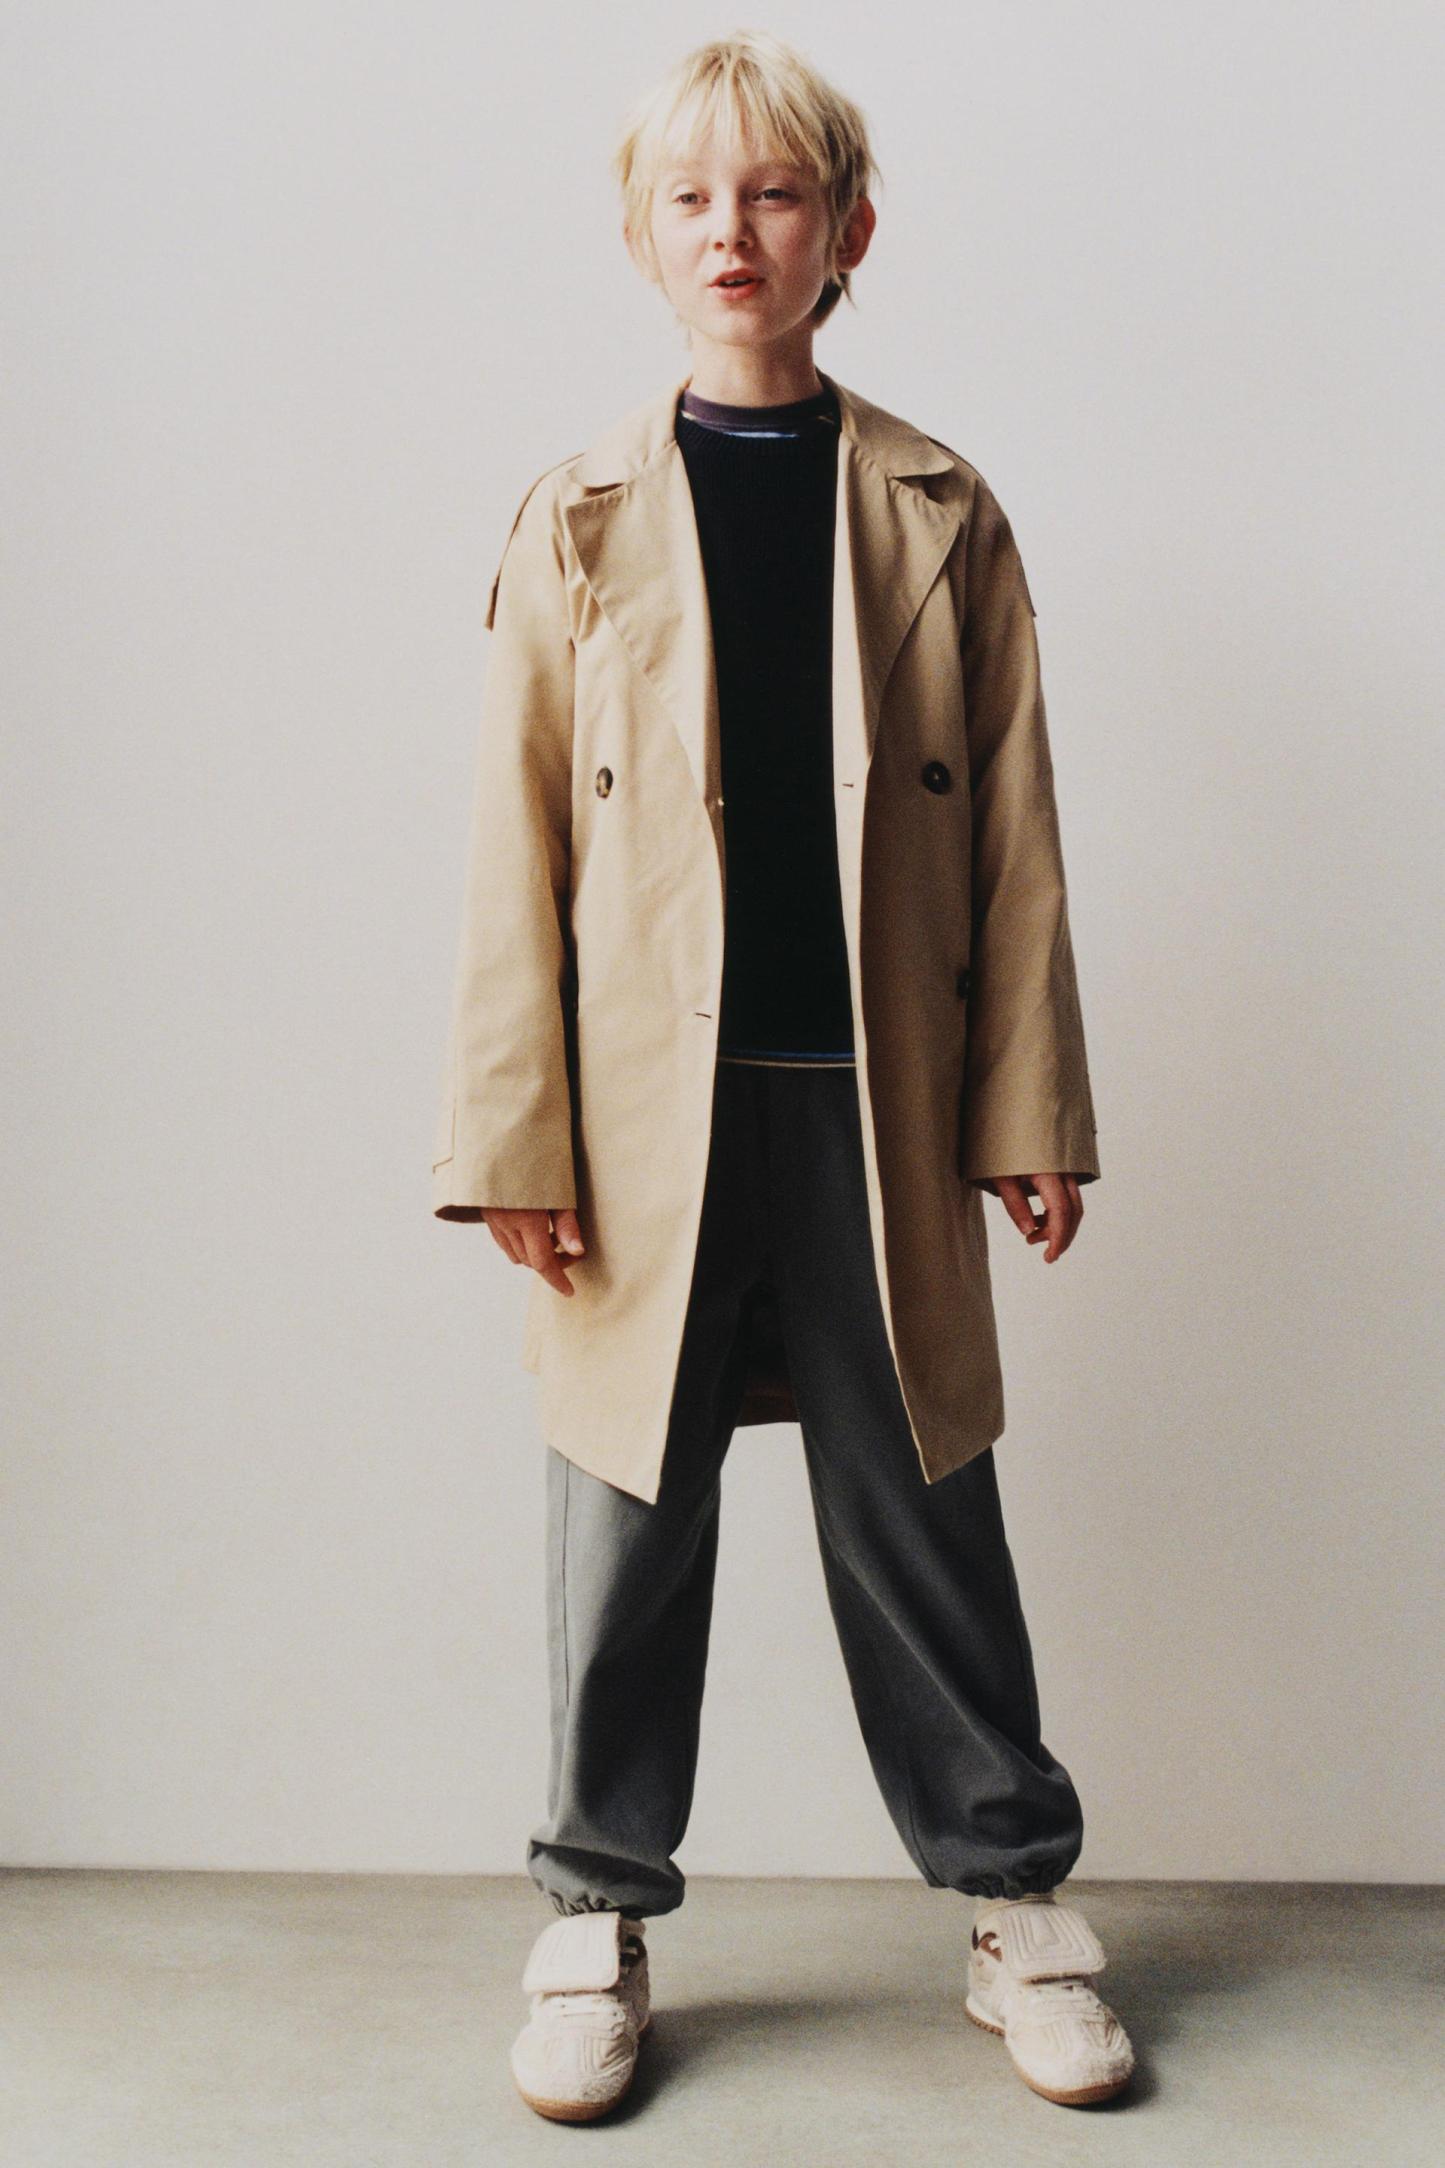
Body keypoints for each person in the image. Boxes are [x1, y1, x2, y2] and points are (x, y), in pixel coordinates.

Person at [431, 28, 1135, 2124]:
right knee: (623, 1521)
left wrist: (1027, 1107)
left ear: (849, 231)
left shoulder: (937, 507)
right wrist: (513, 1134)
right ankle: (592, 1911)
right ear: (640, 236)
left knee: (923, 1504)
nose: (732, 232)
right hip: (643, 1110)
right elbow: (513, 846)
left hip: (870, 1095)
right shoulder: (575, 515)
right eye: (692, 197)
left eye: (774, 194)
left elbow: (1015, 829)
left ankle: (1014, 1900)